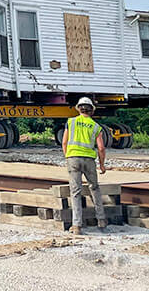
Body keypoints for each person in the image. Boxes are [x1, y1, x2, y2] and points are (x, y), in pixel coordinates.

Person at [61, 96, 107, 235]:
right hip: (89, 160)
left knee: (75, 191)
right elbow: (101, 148)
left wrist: (68, 156)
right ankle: (101, 220)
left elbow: (64, 142)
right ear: (91, 110)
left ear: (79, 109)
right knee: (94, 188)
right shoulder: (95, 126)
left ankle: (77, 226)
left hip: (73, 158)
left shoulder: (71, 122)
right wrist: (102, 165)